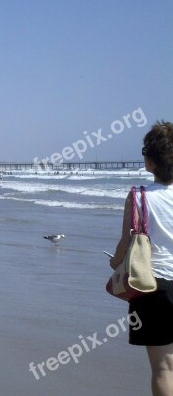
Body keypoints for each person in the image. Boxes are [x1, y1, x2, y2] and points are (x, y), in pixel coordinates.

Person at [109, 121, 173, 395]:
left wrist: (115, 262)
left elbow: (126, 243)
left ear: (149, 162)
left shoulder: (138, 196)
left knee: (163, 368)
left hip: (154, 286)